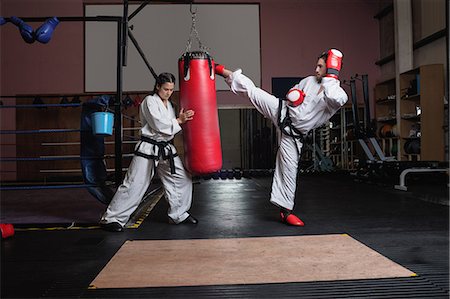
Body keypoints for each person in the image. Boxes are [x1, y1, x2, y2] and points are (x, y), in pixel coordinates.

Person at [215, 49, 348, 226]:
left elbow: (333, 98)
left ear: (331, 67)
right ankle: (220, 70)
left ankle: (285, 212)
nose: (316, 69)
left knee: (289, 171)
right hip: (281, 111)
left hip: (293, 136)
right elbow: (293, 92)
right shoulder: (308, 80)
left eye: (321, 66)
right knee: (253, 92)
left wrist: (332, 75)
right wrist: (294, 96)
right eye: (316, 65)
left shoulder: (338, 93)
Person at [100, 72, 198, 232]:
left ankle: (178, 214)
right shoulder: (149, 101)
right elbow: (159, 125)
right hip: (148, 147)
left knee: (182, 178)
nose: (168, 92)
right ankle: (112, 218)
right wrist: (179, 120)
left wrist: (178, 121)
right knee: (135, 184)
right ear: (158, 86)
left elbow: (170, 130)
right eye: (166, 89)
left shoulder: (170, 105)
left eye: (171, 90)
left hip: (165, 148)